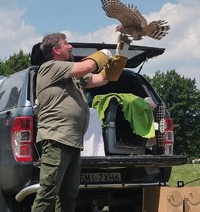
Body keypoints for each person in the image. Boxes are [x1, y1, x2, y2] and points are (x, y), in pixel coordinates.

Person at [31, 32, 130, 212]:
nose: (71, 47)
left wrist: (121, 54)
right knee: (48, 191)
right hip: (56, 138)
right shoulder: (50, 67)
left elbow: (102, 79)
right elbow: (86, 66)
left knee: (69, 194)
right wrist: (104, 53)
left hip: (73, 141)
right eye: (66, 43)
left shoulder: (72, 76)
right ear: (56, 50)